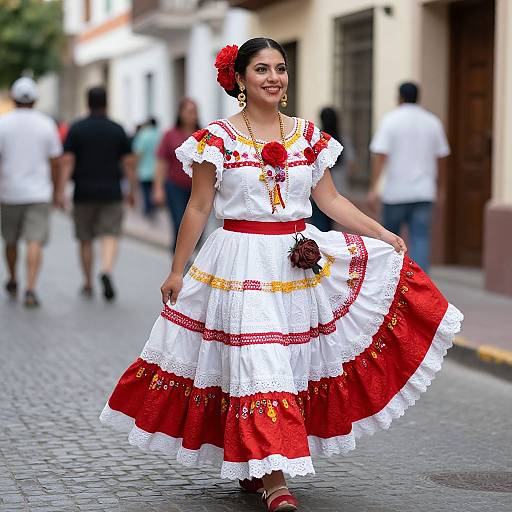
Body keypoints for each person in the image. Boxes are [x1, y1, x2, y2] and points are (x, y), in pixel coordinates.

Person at [100, 39, 463, 511]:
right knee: (259, 362)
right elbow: (200, 206)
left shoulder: (309, 137)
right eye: (262, 69)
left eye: (280, 69)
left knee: (288, 366)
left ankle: (257, 459)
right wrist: (177, 269)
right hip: (238, 261)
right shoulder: (218, 139)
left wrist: (381, 233)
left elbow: (329, 201)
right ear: (241, 79)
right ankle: (275, 479)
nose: (273, 77)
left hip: (297, 262)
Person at [58, 86, 137, 301]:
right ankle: (106, 270)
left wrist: (61, 190)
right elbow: (129, 163)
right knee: (110, 234)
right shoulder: (117, 129)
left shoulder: (76, 129)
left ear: (87, 102)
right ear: (106, 103)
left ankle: (87, 281)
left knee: (85, 238)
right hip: (112, 191)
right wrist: (133, 190)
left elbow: (67, 161)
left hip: (83, 192)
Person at [368, 82, 450, 273]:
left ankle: (389, 279)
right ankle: (420, 284)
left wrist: (374, 187)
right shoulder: (433, 122)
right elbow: (443, 157)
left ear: (400, 98)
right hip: (424, 191)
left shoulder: (390, 120)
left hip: (395, 192)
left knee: (389, 240)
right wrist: (441, 187)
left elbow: (380, 155)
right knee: (420, 238)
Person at [0, 77, 62, 307]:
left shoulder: (3, 123)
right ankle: (30, 288)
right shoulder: (46, 124)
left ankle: (14, 277)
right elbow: (55, 161)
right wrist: (57, 190)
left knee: (11, 240)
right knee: (34, 240)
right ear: (35, 100)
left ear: (14, 98)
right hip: (38, 193)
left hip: (8, 193)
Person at [152, 98, 200, 253]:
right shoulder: (170, 135)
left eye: (194, 112)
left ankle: (192, 258)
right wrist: (158, 188)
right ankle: (179, 262)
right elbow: (161, 162)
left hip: (198, 188)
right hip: (175, 187)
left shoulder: (203, 135)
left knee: (198, 226)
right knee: (180, 223)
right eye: (188, 111)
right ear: (180, 114)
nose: (192, 115)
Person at [309, 107, 356, 231]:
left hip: (316, 189)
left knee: (319, 224)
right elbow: (351, 163)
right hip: (339, 187)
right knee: (330, 225)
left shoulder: (316, 139)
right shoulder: (342, 140)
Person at [133, 118, 160, 218]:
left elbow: (138, 152)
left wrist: (135, 167)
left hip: (144, 170)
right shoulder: (160, 134)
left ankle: (148, 212)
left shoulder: (143, 135)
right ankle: (153, 210)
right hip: (156, 170)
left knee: (146, 193)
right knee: (154, 191)